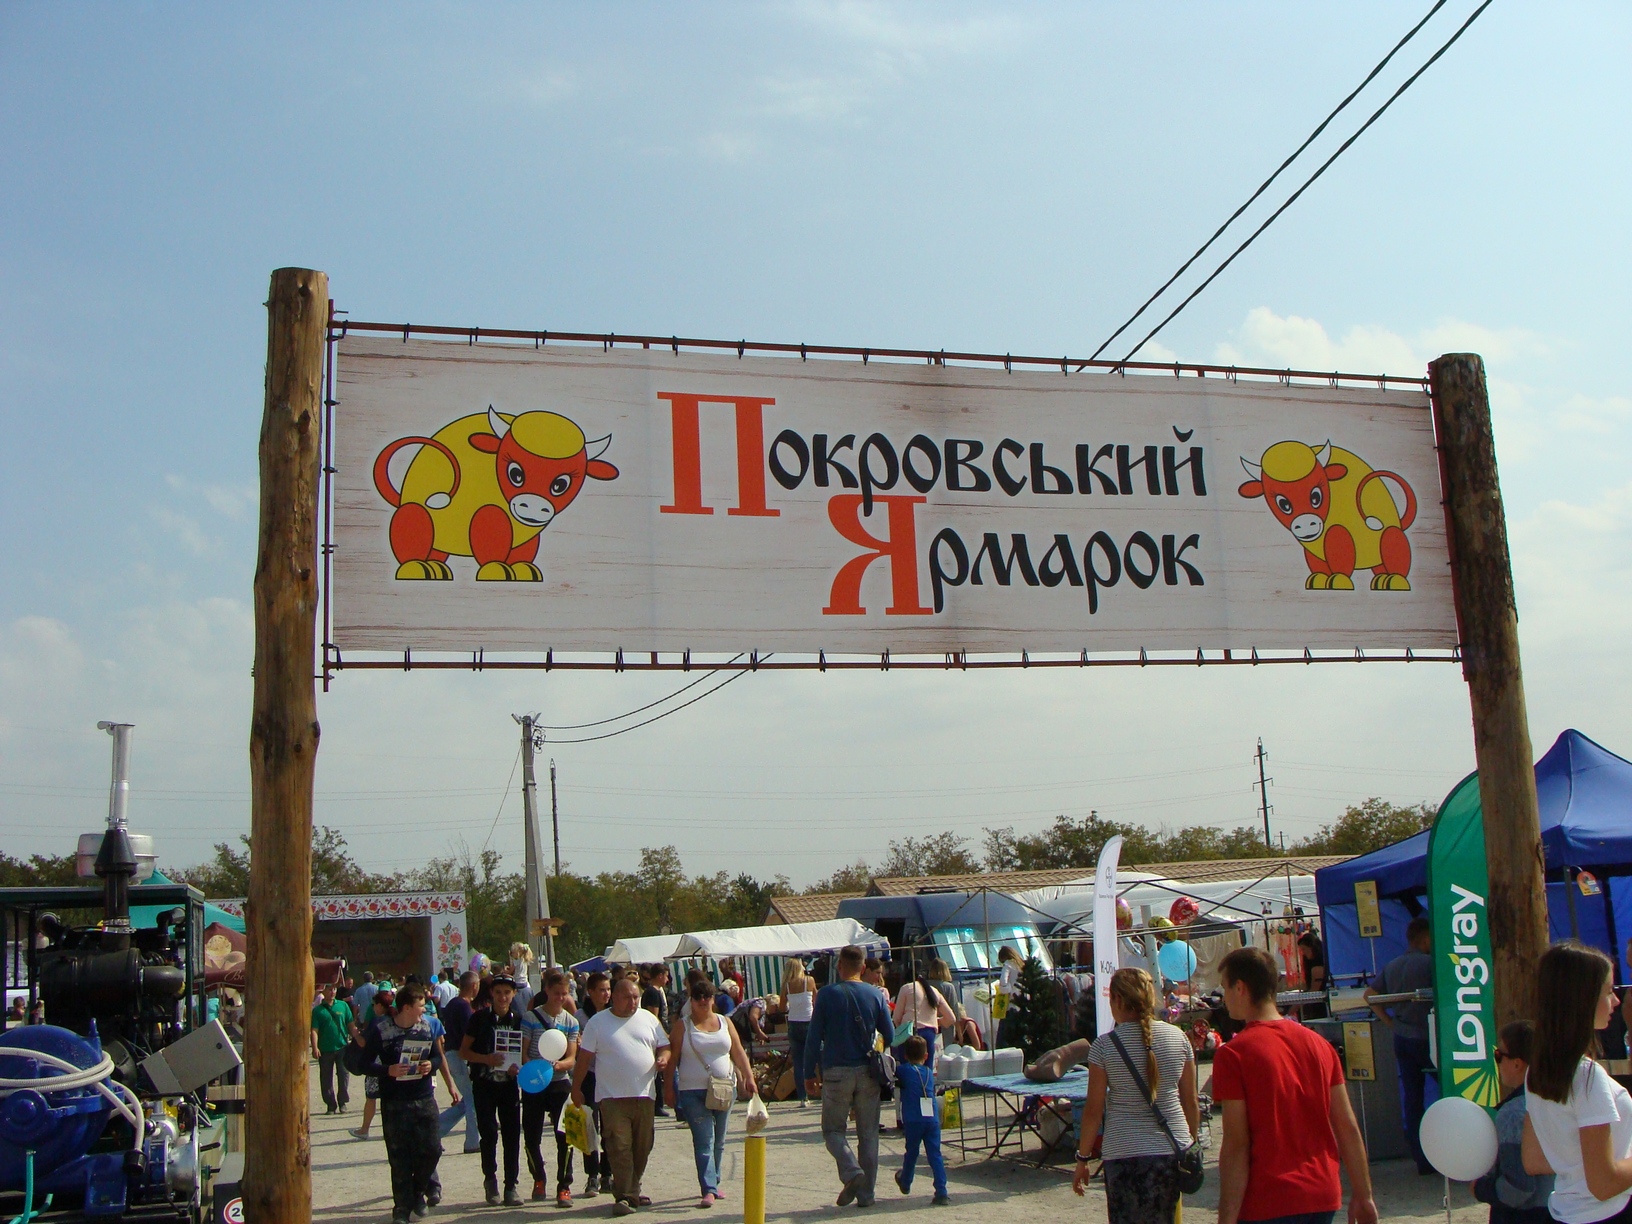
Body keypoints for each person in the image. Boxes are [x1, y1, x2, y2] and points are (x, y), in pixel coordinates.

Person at [1212, 946, 1376, 1224]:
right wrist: (1363, 1195)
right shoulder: (1319, 1045)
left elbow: (1236, 1145)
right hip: (1322, 1193)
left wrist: (1226, 1218)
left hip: (1269, 1198)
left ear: (1240, 988)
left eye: (1225, 988)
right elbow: (1346, 1126)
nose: (1224, 998)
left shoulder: (1233, 1055)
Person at [1074, 967, 1198, 1223]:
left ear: (1118, 1000)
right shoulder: (1179, 1038)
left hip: (1124, 1152)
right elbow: (1190, 1101)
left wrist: (1083, 1158)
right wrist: (1191, 1144)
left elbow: (1093, 1111)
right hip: (1171, 1149)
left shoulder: (1104, 1047)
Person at [1521, 942, 1632, 1224]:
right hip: (1612, 1212)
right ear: (1583, 999)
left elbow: (1534, 1159)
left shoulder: (1537, 1071)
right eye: (1608, 991)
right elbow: (1604, 1185)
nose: (1616, 1001)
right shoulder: (1587, 1077)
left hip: (1567, 1213)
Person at [356, 983, 462, 1224]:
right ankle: (402, 1209)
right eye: (421, 1006)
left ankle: (418, 1191)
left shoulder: (426, 1028)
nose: (424, 1010)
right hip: (395, 1101)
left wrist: (431, 1065)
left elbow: (437, 1056)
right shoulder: (382, 1030)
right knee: (399, 1158)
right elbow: (363, 1064)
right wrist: (388, 1070)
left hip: (424, 1098)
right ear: (406, 1007)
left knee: (433, 1149)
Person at [803, 943, 895, 1208]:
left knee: (833, 1130)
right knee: (869, 1134)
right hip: (868, 1071)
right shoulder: (875, 994)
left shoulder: (827, 995)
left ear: (839, 966)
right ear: (863, 967)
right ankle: (866, 1195)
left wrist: (808, 1072)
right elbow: (889, 1034)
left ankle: (851, 1169)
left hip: (836, 1071)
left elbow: (813, 1037)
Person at [572, 977, 671, 1217]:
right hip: (612, 1097)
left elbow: (665, 1046)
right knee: (619, 1146)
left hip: (644, 1095)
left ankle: (632, 1188)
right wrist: (576, 1088)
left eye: (636, 997)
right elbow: (584, 1059)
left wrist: (664, 1058)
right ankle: (625, 1196)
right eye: (627, 997)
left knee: (642, 1145)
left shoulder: (649, 1019)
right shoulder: (598, 1023)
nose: (632, 1002)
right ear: (614, 998)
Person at [667, 977, 758, 1208]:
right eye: (697, 997)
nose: (702, 1001)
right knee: (704, 1140)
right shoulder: (682, 1026)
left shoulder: (725, 1022)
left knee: (719, 1140)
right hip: (692, 1090)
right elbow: (673, 1059)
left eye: (707, 996)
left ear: (713, 999)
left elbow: (738, 1051)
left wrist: (749, 1077)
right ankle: (708, 1188)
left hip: (724, 1087)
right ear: (691, 1000)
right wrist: (668, 1088)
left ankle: (714, 1182)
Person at [1363, 915, 1437, 1173]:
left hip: (1402, 1038)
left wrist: (1390, 1022)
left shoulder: (1393, 965)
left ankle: (1421, 1159)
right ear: (1426, 939)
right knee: (1450, 1090)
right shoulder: (1431, 964)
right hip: (1429, 1039)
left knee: (1413, 1099)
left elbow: (1369, 996)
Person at [1473, 1019, 1552, 1224]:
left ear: (1517, 1063)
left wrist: (1479, 1188)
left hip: (1525, 1216)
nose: (1497, 1061)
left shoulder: (1512, 1114)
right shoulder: (1559, 1101)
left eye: (1499, 1055)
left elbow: (1518, 1187)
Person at [462, 974, 526, 1207]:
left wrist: (518, 1068)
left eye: (507, 992)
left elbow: (524, 1054)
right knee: (488, 1134)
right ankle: (490, 1180)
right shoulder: (479, 1019)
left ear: (514, 994)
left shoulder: (519, 1020)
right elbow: (463, 1052)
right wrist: (486, 1059)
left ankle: (511, 1185)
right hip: (484, 1084)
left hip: (508, 1086)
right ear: (491, 993)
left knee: (512, 1135)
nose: (502, 997)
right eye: (498, 992)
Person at [521, 968, 582, 1207]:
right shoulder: (530, 1018)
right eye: (557, 993)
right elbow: (524, 1052)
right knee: (531, 1135)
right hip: (535, 1081)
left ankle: (564, 1185)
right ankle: (538, 1177)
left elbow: (572, 1058)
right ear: (547, 991)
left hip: (559, 1082)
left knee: (565, 1136)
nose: (560, 998)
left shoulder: (571, 1022)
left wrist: (559, 1065)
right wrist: (535, 1069)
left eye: (564, 994)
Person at [892, 1034, 949, 1205]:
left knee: (912, 1152)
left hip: (913, 1118)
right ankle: (941, 1190)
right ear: (926, 1056)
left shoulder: (904, 1071)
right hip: (931, 1118)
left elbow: (892, 1072)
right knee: (935, 1154)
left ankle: (906, 1181)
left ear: (905, 1056)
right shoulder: (929, 1073)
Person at [578, 971, 615, 1198]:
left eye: (608, 989)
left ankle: (607, 1174)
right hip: (589, 1076)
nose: (606, 994)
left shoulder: (614, 1014)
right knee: (589, 1126)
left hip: (609, 1075)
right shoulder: (580, 1016)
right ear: (590, 992)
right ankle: (592, 1174)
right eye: (602, 990)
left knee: (610, 1127)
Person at [438, 971, 481, 1154]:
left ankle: (434, 1130)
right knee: (473, 1099)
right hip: (460, 1055)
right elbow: (468, 1035)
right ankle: (473, 1141)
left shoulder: (452, 1004)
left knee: (467, 1100)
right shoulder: (464, 1007)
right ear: (474, 986)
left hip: (452, 1054)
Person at [350, 990, 395, 1140]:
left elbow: (363, 1043)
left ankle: (364, 1129)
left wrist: (355, 1034)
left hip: (375, 1062)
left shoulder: (377, 1022)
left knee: (371, 1097)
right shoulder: (395, 1020)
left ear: (380, 1005)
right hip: (391, 1062)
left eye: (374, 1004)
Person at [893, 973, 955, 1068]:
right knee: (927, 1069)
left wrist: (900, 1029)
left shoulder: (906, 988)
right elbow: (951, 1018)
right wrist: (937, 1021)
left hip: (909, 1032)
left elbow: (896, 1017)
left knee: (907, 1069)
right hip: (929, 1033)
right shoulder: (934, 991)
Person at [310, 981, 354, 1115]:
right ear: (323, 991)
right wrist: (315, 1047)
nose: (332, 992)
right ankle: (330, 1104)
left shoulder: (343, 1005)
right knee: (326, 1077)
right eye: (329, 989)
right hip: (325, 1049)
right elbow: (314, 1030)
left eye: (334, 989)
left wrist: (358, 1039)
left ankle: (342, 1102)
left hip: (342, 1047)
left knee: (344, 1075)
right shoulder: (318, 1011)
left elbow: (350, 1024)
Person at [783, 958, 815, 1109]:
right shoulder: (809, 980)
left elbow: (782, 1006)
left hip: (794, 1023)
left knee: (798, 1062)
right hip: (808, 1021)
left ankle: (803, 1097)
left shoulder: (786, 985)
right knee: (817, 1056)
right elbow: (815, 999)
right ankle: (821, 1089)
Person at [641, 965, 671, 1118]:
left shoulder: (658, 991)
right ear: (659, 975)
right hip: (656, 1034)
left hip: (661, 1032)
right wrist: (664, 1034)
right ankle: (657, 1103)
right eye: (666, 976)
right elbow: (654, 1017)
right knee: (658, 1069)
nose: (667, 979)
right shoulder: (652, 992)